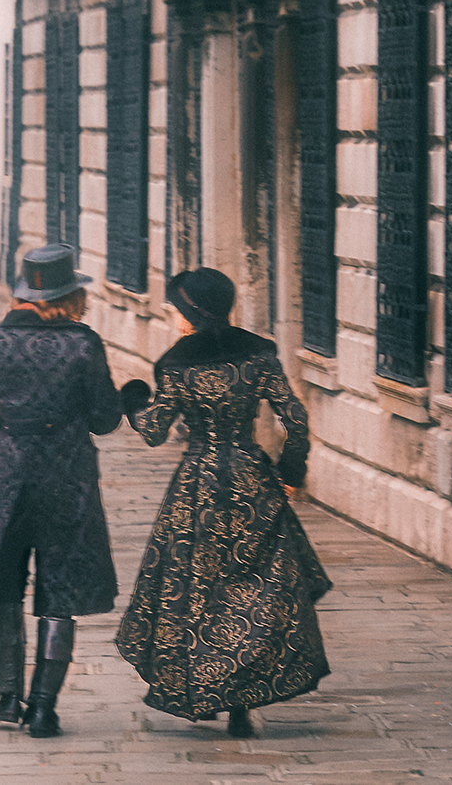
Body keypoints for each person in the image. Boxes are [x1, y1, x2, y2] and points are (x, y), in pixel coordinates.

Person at [113, 267, 331, 740]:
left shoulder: (177, 363)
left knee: (200, 592)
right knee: (257, 586)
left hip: (199, 485)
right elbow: (295, 417)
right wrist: (291, 474)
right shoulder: (258, 352)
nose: (172, 317)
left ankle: (209, 689)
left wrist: (132, 399)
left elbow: (153, 430)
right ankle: (243, 703)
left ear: (191, 311)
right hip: (252, 478)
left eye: (176, 309)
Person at [0, 246, 124, 739]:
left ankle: (8, 698)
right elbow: (104, 417)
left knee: (6, 584)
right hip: (65, 474)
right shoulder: (84, 345)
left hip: (5, 474)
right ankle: (44, 708)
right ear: (69, 295)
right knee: (60, 587)